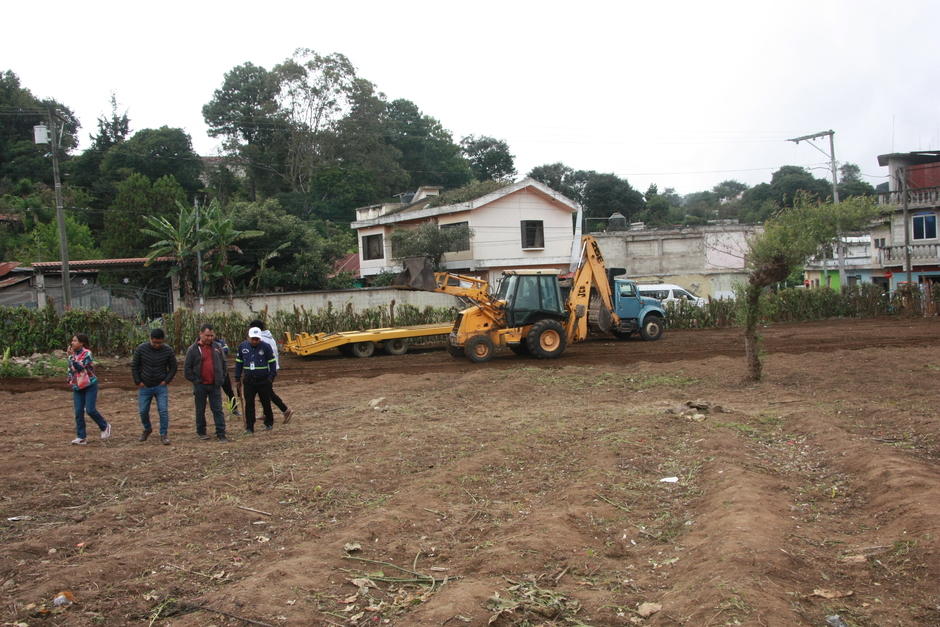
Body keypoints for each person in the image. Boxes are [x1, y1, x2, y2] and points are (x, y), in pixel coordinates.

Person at [131, 328, 177, 445]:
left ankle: (163, 434)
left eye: (159, 343)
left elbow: (173, 367)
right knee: (143, 411)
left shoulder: (168, 351)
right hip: (145, 386)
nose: (157, 345)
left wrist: (166, 381)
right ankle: (147, 428)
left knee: (163, 411)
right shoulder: (141, 349)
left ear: (163, 340)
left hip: (160, 386)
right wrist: (138, 381)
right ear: (150, 339)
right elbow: (134, 366)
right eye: (154, 342)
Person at [183, 324, 228, 442]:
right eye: (207, 335)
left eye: (212, 335)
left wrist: (221, 378)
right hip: (200, 386)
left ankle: (221, 433)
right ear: (201, 334)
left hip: (215, 385)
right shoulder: (192, 349)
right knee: (200, 409)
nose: (210, 338)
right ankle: (201, 432)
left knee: (217, 409)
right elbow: (187, 369)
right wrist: (196, 381)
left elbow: (224, 365)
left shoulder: (218, 347)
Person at [67, 333, 111, 445]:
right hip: (78, 386)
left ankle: (105, 426)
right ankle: (81, 437)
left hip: (89, 385)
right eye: (72, 341)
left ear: (82, 343)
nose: (72, 343)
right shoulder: (71, 356)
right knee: (78, 412)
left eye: (75, 341)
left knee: (90, 409)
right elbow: (71, 369)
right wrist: (70, 380)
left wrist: (72, 357)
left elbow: (80, 367)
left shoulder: (87, 353)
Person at [247, 319, 293, 423]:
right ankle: (265, 413)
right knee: (265, 392)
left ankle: (285, 410)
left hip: (266, 370)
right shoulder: (269, 336)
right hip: (272, 368)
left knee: (268, 393)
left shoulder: (261, 339)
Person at [235, 326, 277, 434]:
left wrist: (271, 377)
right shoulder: (242, 347)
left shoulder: (266, 347)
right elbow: (239, 363)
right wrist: (237, 378)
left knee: (265, 402)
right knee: (249, 403)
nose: (255, 341)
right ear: (248, 337)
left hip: (263, 380)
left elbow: (272, 362)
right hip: (249, 381)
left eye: (257, 339)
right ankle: (250, 426)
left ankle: (269, 422)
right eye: (253, 338)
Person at [212, 335, 240, 418]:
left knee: (229, 391)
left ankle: (234, 409)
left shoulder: (221, 342)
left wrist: (218, 350)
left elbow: (226, 350)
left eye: (212, 334)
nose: (210, 337)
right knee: (213, 393)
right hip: (212, 373)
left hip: (223, 372)